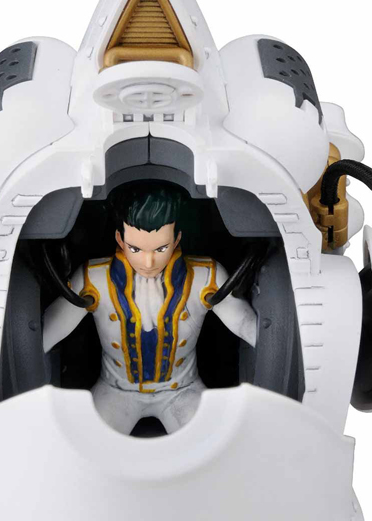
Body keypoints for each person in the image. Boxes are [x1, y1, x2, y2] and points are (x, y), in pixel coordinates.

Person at [43, 183, 257, 434]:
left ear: (177, 239)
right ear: (119, 239)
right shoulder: (93, 279)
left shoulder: (206, 276)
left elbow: (244, 324)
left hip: (182, 390)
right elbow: (49, 332)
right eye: (135, 249)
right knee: (90, 443)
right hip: (115, 391)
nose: (148, 262)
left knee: (210, 444)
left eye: (161, 248)